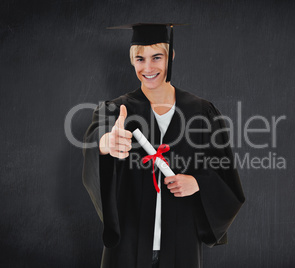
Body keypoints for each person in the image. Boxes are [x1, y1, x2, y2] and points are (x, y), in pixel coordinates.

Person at [82, 23, 245, 268]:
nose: (148, 68)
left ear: (171, 57)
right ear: (132, 61)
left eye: (157, 57)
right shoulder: (117, 110)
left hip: (181, 245)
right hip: (129, 243)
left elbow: (226, 177)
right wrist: (106, 144)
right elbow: (97, 138)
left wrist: (198, 183)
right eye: (140, 59)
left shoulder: (201, 112)